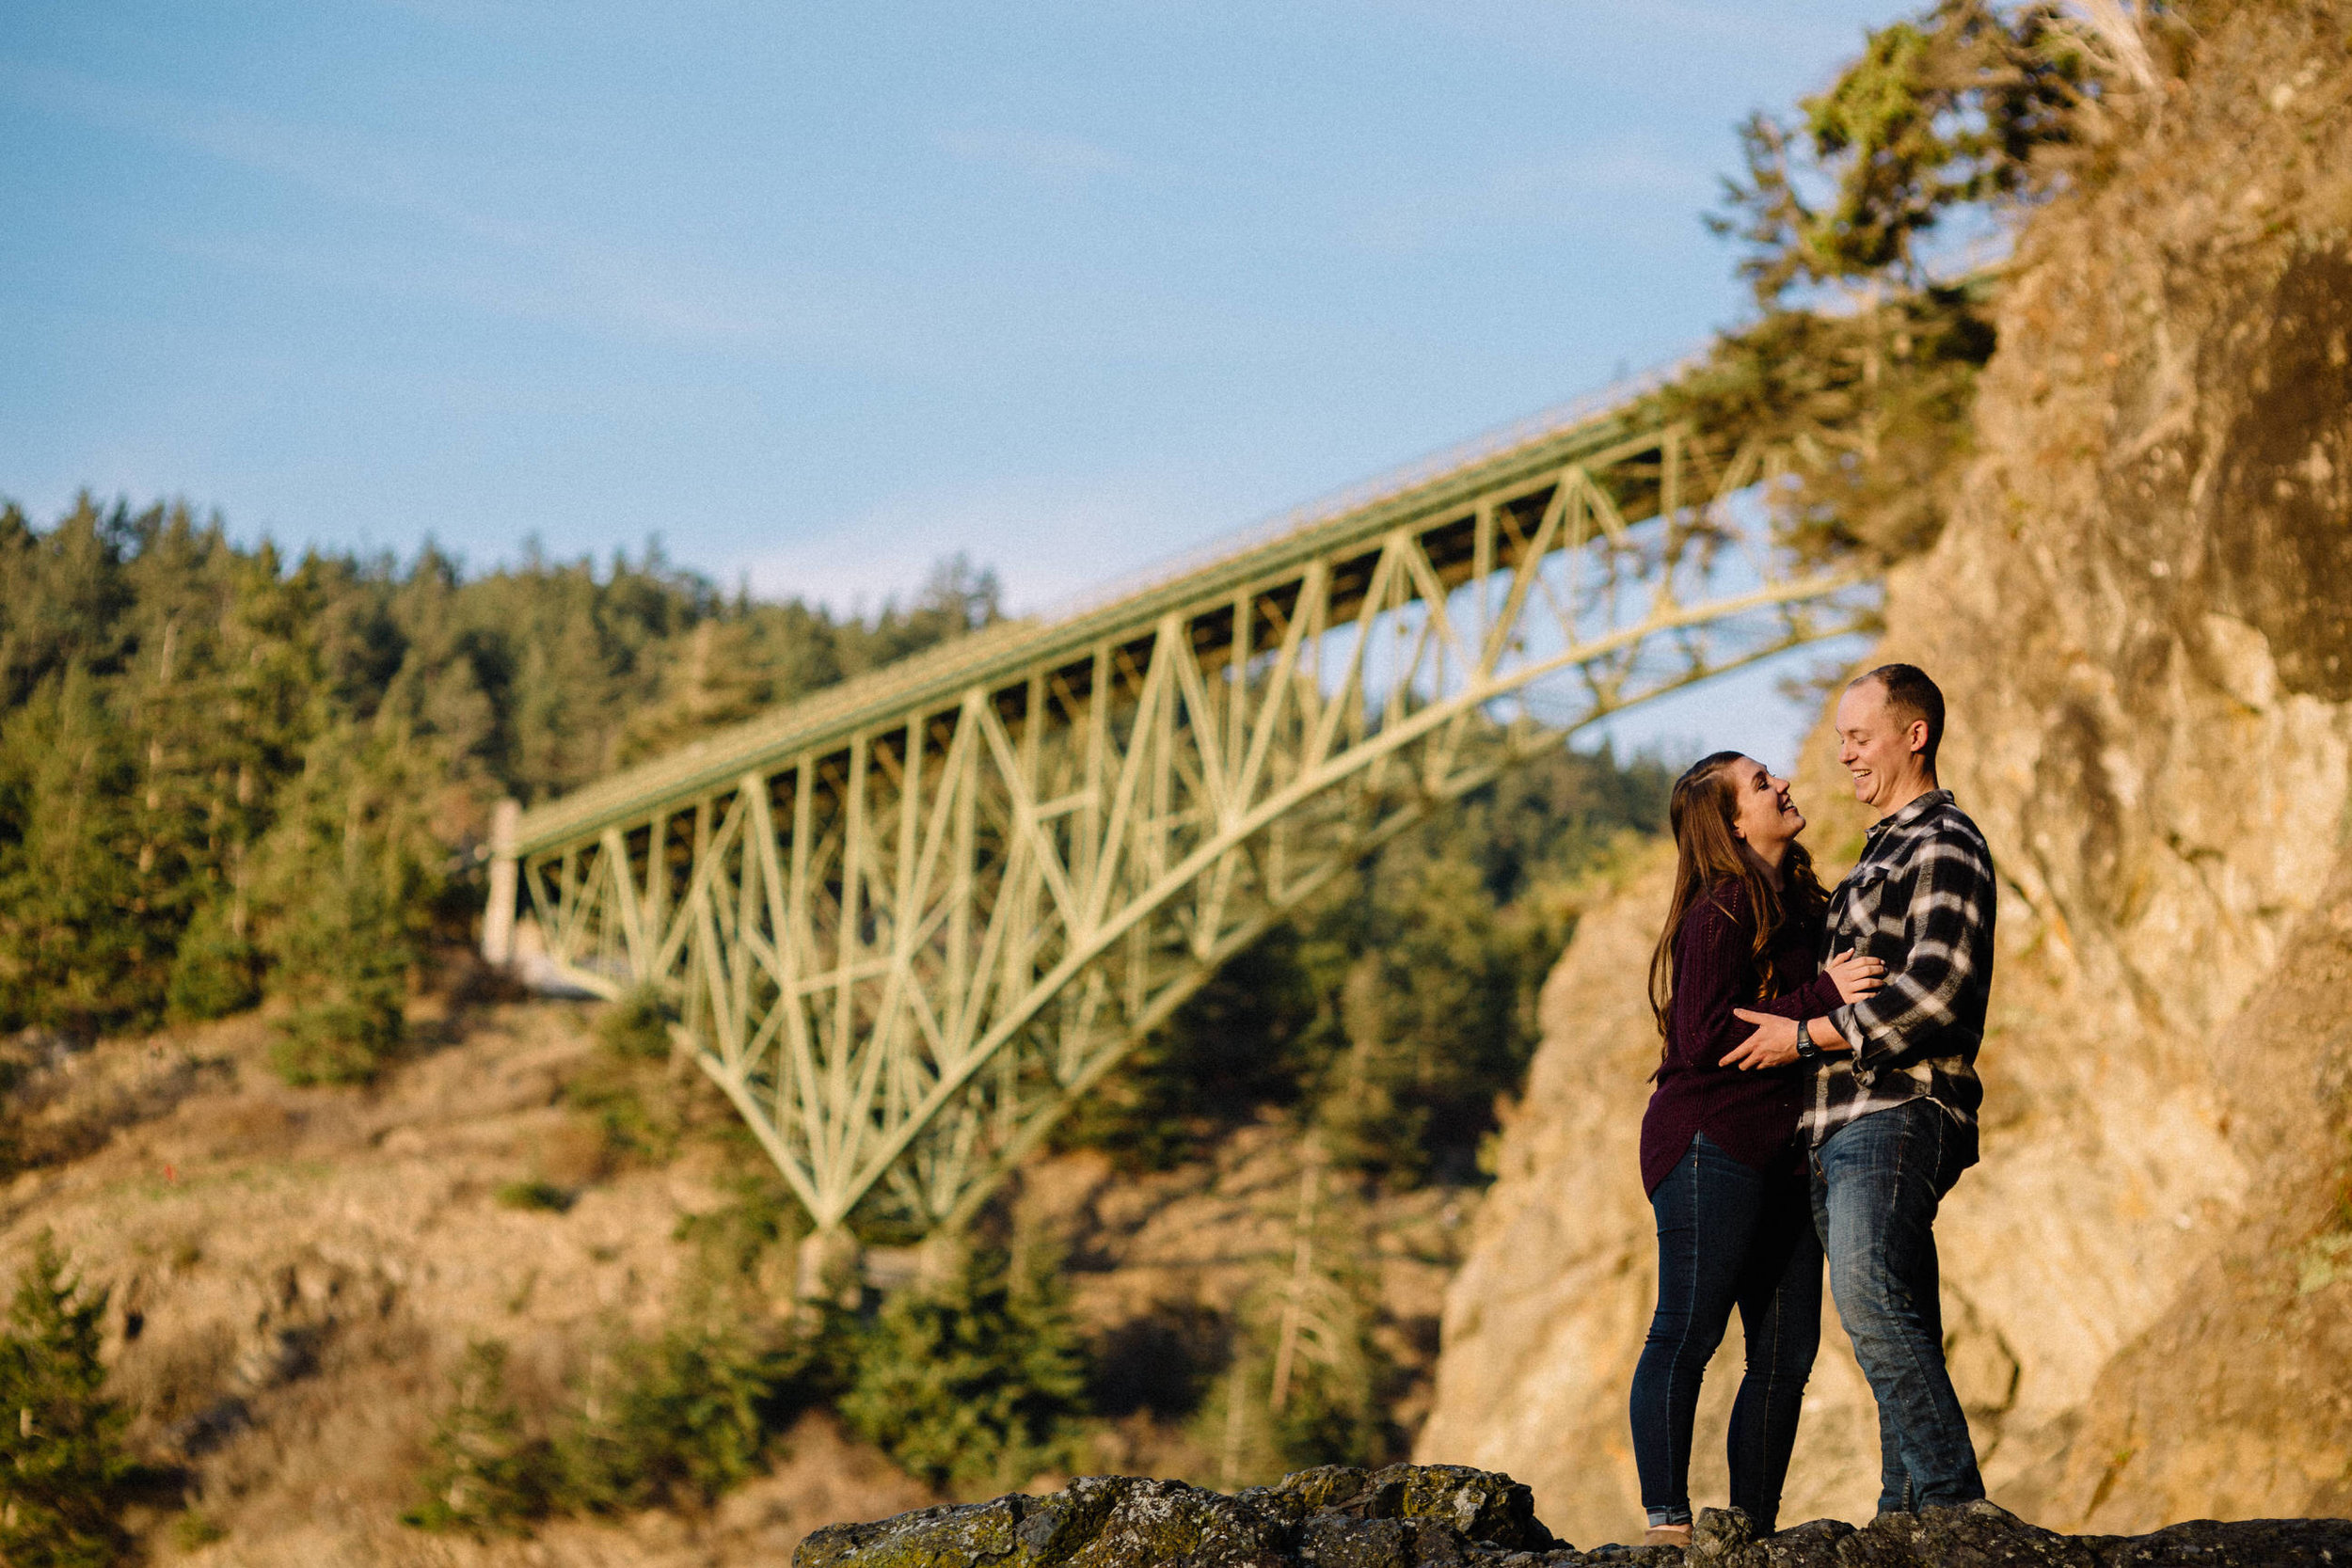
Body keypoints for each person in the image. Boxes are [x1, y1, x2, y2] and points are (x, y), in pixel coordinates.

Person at [1722, 663, 1997, 1516]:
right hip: (1840, 1123)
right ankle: (1902, 1514)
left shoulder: (1942, 840)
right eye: (1840, 737)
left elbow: (1937, 991)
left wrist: (1801, 1037)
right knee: (1899, 1310)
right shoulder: (1877, 854)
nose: (1841, 754)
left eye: (1857, 736)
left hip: (1897, 1108)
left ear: (1914, 735)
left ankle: (1952, 1507)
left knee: (1871, 1295)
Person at [1630, 751, 1884, 1546]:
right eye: (1761, 782)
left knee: (1785, 1354)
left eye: (1773, 773)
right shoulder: (1723, 907)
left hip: (1785, 1150)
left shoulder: (1802, 906)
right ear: (1733, 821)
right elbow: (1703, 1035)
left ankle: (1750, 1534)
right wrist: (1820, 999)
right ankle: (1668, 1526)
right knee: (1688, 1329)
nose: (1782, 783)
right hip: (1709, 1141)